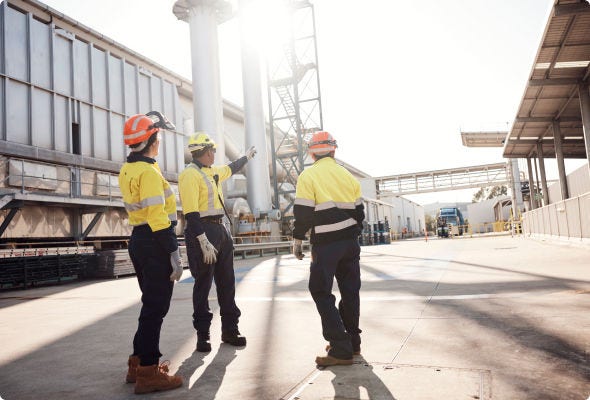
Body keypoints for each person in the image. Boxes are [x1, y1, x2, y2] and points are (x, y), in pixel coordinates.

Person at [118, 111, 184, 394]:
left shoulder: (128, 168)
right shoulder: (148, 171)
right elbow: (158, 216)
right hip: (155, 242)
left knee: (150, 305)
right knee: (156, 307)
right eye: (158, 137)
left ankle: (136, 365)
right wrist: (174, 251)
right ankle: (148, 372)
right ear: (152, 141)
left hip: (139, 241)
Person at [292, 131, 365, 367]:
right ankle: (352, 342)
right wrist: (350, 236)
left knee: (321, 291)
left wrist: (297, 239)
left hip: (326, 243)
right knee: (350, 290)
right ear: (333, 150)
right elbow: (360, 214)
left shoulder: (308, 175)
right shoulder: (347, 176)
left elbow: (303, 213)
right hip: (350, 243)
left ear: (312, 153)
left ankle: (340, 347)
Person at [178, 132, 256, 352]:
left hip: (220, 229)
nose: (214, 154)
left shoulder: (212, 172)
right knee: (203, 285)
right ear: (202, 152)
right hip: (201, 230)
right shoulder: (189, 175)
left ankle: (230, 330)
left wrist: (246, 157)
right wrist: (202, 239)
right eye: (211, 150)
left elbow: (231, 168)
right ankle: (203, 336)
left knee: (227, 283)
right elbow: (191, 213)